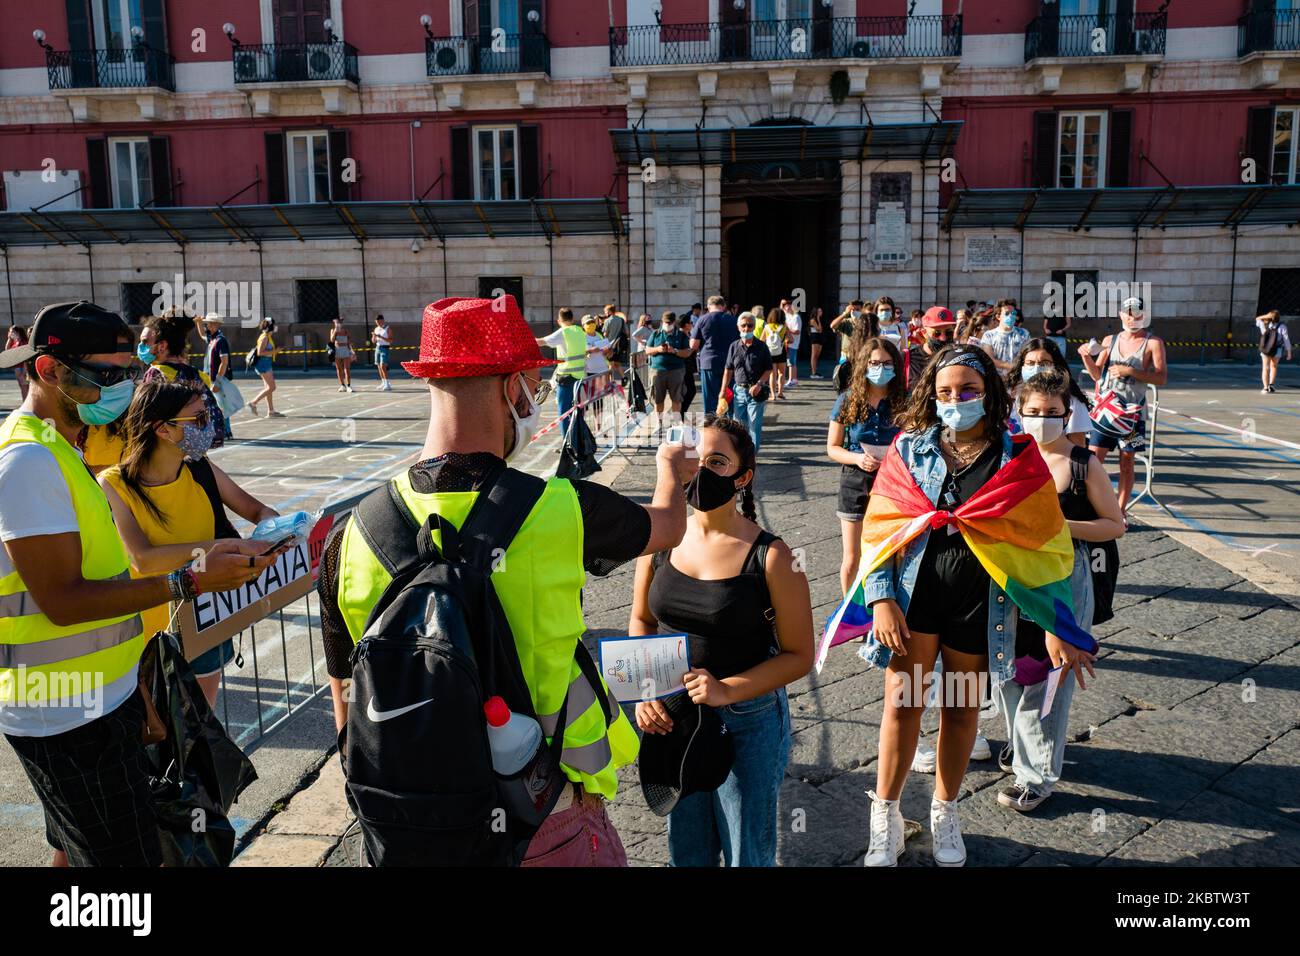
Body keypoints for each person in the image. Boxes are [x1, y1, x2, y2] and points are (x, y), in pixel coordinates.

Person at [317, 293, 694, 866]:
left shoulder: (350, 534)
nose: (536, 400)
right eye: (533, 389)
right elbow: (667, 528)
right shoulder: (562, 509)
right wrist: (671, 471)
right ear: (511, 386)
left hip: (406, 827)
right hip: (544, 814)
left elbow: (346, 690)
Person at [0, 300, 272, 867]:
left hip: (99, 698)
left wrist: (136, 685)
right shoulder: (27, 462)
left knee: (88, 853)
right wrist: (190, 579)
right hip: (63, 714)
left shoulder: (64, 452)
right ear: (48, 371)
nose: (121, 388)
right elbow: (65, 601)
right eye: (104, 376)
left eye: (126, 373)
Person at [859, 346, 1094, 867]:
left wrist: (1056, 623)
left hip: (978, 608)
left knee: (961, 708)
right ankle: (888, 816)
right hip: (913, 603)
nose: (955, 400)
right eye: (945, 391)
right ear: (931, 394)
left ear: (988, 393)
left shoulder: (1017, 454)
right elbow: (880, 530)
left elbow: (1044, 542)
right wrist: (879, 598)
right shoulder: (911, 448)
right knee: (902, 706)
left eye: (967, 390)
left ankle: (944, 810)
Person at [629, 415, 813, 866]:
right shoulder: (662, 539)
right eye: (696, 460)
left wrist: (726, 690)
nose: (702, 471)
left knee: (746, 854)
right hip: (676, 716)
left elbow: (799, 655)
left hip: (748, 721)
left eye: (718, 461)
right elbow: (641, 619)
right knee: (686, 851)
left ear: (743, 476)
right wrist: (645, 691)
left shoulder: (773, 555)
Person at [100, 378, 281, 709]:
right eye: (198, 418)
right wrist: (222, 549)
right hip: (150, 635)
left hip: (205, 620)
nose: (208, 425)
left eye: (208, 415)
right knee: (157, 733)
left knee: (199, 729)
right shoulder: (114, 484)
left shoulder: (200, 468)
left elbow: (255, 509)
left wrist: (279, 527)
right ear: (164, 430)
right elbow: (144, 559)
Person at [999, 372, 1120, 812]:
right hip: (1010, 578)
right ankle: (1021, 745)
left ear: (1068, 415)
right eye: (1033, 412)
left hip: (1067, 581)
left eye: (1052, 413)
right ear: (1019, 412)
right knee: (1010, 665)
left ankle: (1037, 776)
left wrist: (1059, 528)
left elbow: (1114, 525)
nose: (1042, 420)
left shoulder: (1085, 464)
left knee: (1053, 673)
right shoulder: (1008, 457)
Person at [826, 336, 904, 597]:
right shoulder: (848, 399)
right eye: (874, 363)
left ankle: (886, 606)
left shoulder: (905, 400)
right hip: (855, 480)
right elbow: (832, 447)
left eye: (886, 363)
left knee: (891, 552)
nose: (880, 369)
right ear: (864, 365)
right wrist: (857, 458)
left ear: (895, 365)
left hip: (894, 482)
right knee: (852, 556)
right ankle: (849, 611)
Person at [1080, 297, 1167, 514]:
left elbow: (1162, 378)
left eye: (1137, 314)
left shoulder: (1153, 342)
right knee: (1093, 461)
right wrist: (1085, 357)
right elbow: (1097, 375)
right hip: (1105, 412)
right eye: (1128, 313)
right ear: (1121, 314)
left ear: (1144, 316)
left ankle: (1120, 511)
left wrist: (1131, 372)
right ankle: (1093, 505)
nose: (1132, 317)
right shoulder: (1110, 340)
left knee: (1127, 462)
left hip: (1132, 416)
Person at [139, 310, 227, 451]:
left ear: (162, 346)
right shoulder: (196, 374)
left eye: (144, 342)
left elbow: (146, 422)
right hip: (196, 452)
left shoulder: (156, 374)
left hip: (168, 454)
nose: (140, 347)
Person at [1007, 338, 1093, 446]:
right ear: (1022, 365)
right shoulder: (1008, 395)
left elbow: (1078, 444)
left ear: (1055, 365)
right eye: (1030, 363)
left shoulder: (1071, 399)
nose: (1036, 368)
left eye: (1044, 363)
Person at [721, 313, 774, 454]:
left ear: (754, 326)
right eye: (743, 325)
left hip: (756, 392)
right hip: (738, 391)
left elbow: (769, 369)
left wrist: (759, 383)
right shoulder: (733, 346)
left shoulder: (762, 347)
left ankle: (751, 456)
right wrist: (723, 390)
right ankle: (739, 454)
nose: (746, 328)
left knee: (754, 425)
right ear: (738, 327)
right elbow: (728, 370)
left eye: (750, 325)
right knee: (739, 425)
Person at [535, 308, 587, 439]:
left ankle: (568, 444)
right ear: (572, 319)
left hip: (566, 378)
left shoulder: (563, 332)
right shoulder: (579, 331)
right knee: (576, 411)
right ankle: (578, 442)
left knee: (564, 413)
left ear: (559, 321)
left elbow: (541, 342)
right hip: (580, 377)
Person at [691, 295, 739, 415]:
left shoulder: (702, 320)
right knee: (729, 396)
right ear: (723, 306)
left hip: (709, 362)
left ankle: (711, 426)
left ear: (708, 306)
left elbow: (693, 345)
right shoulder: (733, 320)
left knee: (710, 399)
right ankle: (730, 426)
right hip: (730, 363)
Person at [647, 311, 692, 431]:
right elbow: (647, 350)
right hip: (657, 371)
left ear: (674, 322)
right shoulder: (655, 334)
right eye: (666, 322)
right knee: (658, 398)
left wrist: (675, 351)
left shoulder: (681, 335)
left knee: (676, 398)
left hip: (676, 371)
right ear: (662, 322)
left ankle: (677, 423)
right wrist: (657, 349)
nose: (668, 324)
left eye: (670, 322)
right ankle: (659, 422)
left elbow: (687, 352)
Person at [198, 312, 235, 440]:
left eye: (207, 324)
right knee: (212, 405)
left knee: (222, 405)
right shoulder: (213, 338)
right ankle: (220, 430)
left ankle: (226, 431)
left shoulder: (220, 340)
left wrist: (218, 381)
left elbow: (224, 362)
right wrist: (197, 322)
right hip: (209, 377)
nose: (206, 326)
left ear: (214, 325)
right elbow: (202, 335)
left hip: (217, 379)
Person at [906, 306, 956, 388]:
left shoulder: (959, 357)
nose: (943, 338)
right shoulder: (908, 359)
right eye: (937, 333)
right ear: (924, 333)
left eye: (948, 332)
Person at [980, 299, 1029, 373]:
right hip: (997, 379)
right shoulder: (988, 335)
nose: (1011, 316)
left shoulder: (1024, 334)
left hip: (1018, 379)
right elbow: (990, 360)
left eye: (1013, 313)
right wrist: (1012, 366)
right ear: (998, 316)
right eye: (1007, 313)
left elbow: (1027, 356)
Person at [248, 317, 284, 418]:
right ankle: (253, 402)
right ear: (271, 327)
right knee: (272, 387)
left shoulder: (268, 336)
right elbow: (260, 352)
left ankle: (271, 411)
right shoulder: (264, 337)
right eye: (274, 325)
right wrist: (275, 352)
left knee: (268, 388)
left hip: (266, 363)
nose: (276, 327)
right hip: (263, 364)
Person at [1257, 310, 1292, 394]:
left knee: (1265, 368)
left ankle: (1265, 388)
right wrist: (1289, 352)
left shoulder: (1264, 324)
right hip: (1278, 349)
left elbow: (1257, 319)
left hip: (1266, 349)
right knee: (1274, 367)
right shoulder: (1282, 326)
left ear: (1269, 317)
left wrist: (1266, 315)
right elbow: (1286, 340)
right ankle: (1271, 385)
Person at [763, 307, 788, 400]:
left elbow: (762, 340)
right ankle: (780, 393)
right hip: (781, 352)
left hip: (770, 353)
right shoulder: (784, 327)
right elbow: (791, 339)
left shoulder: (767, 327)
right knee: (781, 373)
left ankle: (773, 395)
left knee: (772, 375)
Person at [678, 313, 698, 417]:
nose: (692, 324)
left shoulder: (688, 335)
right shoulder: (681, 336)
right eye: (690, 322)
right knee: (689, 391)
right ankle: (680, 414)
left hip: (687, 368)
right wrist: (691, 350)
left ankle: (681, 413)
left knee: (689, 391)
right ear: (686, 325)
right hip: (682, 368)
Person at [603, 304, 628, 385]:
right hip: (619, 346)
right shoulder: (621, 320)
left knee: (610, 364)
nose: (605, 313)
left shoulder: (608, 321)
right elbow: (627, 332)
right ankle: (623, 377)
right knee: (616, 363)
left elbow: (605, 334)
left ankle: (610, 381)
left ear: (610, 311)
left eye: (606, 311)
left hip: (610, 346)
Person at [330, 317, 355, 393]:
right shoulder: (333, 330)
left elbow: (350, 341)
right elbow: (332, 340)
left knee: (347, 369)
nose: (339, 324)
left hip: (345, 350)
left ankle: (349, 385)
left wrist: (352, 351)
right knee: (339, 369)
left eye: (340, 323)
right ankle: (342, 385)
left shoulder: (345, 331)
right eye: (337, 323)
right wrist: (335, 331)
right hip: (337, 351)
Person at [5, 326, 29, 402]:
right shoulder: (16, 342)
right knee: (22, 387)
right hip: (18, 367)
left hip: (23, 368)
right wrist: (9, 339)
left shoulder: (23, 342)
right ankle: (24, 402)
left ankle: (27, 403)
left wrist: (24, 372)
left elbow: (26, 357)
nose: (10, 333)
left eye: (12, 332)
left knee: (25, 387)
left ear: (17, 332)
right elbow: (7, 350)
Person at [782, 299, 802, 387]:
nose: (786, 308)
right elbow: (781, 311)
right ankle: (793, 379)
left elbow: (797, 331)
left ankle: (792, 379)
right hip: (787, 342)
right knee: (790, 361)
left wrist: (787, 330)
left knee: (791, 362)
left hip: (793, 342)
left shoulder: (796, 317)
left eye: (789, 307)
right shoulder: (788, 316)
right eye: (785, 307)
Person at [371, 314, 393, 392]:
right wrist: (374, 337)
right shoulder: (376, 329)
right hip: (378, 348)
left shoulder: (387, 328)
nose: (378, 323)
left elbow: (390, 340)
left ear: (382, 320)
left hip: (385, 348)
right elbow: (373, 341)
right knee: (378, 366)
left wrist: (381, 337)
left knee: (383, 365)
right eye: (376, 322)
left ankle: (387, 383)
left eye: (379, 322)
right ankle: (383, 382)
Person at [809, 306, 827, 379]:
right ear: (816, 312)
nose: (821, 313)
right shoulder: (813, 320)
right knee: (814, 355)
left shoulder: (820, 320)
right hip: (815, 337)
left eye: (821, 311)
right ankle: (813, 373)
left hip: (819, 337)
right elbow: (819, 329)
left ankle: (815, 371)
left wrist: (819, 320)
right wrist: (818, 319)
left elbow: (821, 330)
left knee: (817, 356)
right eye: (819, 311)